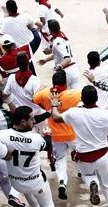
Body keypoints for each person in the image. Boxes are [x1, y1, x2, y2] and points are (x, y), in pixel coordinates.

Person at [51, 85, 108, 207]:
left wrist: (55, 104)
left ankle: (93, 183)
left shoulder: (73, 113)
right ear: (96, 99)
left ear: (82, 99)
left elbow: (56, 117)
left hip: (83, 156)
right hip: (102, 155)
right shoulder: (103, 114)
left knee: (88, 176)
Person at [0, 107, 64, 207]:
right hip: (36, 182)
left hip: (15, 183)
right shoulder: (36, 139)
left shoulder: (2, 135)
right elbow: (46, 144)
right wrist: (47, 134)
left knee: (26, 191)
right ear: (22, 121)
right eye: (31, 119)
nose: (34, 121)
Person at [33, 69, 82, 199]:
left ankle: (62, 182)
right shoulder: (73, 95)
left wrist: (46, 107)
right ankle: (82, 172)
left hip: (56, 135)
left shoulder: (45, 94)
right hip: (72, 134)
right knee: (81, 153)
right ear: (65, 83)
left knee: (60, 159)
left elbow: (35, 99)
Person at [37, 19, 80, 89]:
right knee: (77, 97)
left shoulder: (57, 42)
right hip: (74, 70)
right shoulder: (62, 36)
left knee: (64, 98)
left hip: (66, 73)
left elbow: (67, 59)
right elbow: (58, 54)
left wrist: (60, 66)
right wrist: (46, 60)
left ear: (50, 30)